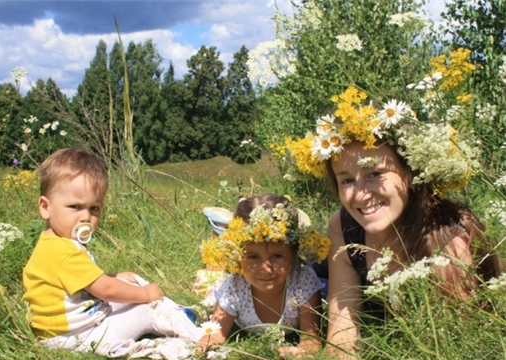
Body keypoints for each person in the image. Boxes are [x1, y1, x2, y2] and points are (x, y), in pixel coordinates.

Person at [286, 86, 503, 358]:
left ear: (410, 173)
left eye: (375, 173)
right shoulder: (343, 227)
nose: (361, 194)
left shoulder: (446, 241)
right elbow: (343, 339)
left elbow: (449, 347)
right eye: (347, 180)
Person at [22, 148, 202, 357]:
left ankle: (174, 313)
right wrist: (145, 294)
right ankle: (192, 332)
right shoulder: (63, 251)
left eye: (94, 208)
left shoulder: (56, 242)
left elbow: (79, 282)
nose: (85, 217)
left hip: (71, 328)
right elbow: (105, 289)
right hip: (76, 338)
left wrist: (115, 279)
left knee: (128, 282)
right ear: (46, 207)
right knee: (143, 308)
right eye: (75, 206)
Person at [199, 195, 332, 358]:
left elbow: (311, 340)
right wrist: (199, 351)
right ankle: (213, 267)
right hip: (228, 286)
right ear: (236, 255)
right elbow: (215, 334)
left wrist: (304, 352)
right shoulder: (234, 286)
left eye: (277, 256)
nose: (266, 269)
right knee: (209, 291)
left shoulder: (303, 281)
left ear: (294, 253)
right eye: (253, 257)